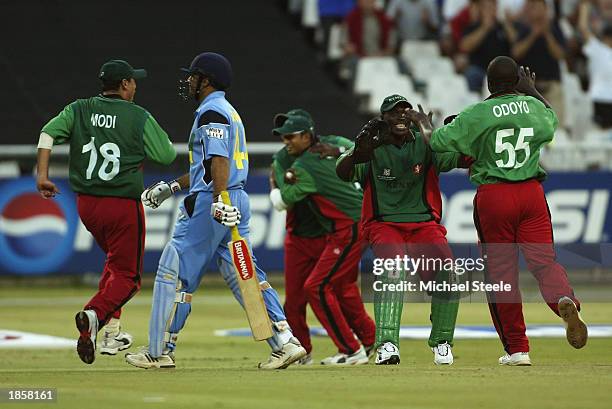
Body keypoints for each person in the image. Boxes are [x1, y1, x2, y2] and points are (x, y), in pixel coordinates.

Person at [124, 52, 306, 370]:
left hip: (214, 202)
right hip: (233, 197)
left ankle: (158, 350)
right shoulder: (227, 111)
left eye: (193, 76)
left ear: (206, 80)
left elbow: (218, 161)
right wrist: (173, 187)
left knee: (174, 270)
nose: (189, 81)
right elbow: (204, 167)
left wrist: (219, 199)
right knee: (245, 274)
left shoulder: (211, 113)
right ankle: (284, 341)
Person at [409, 56, 588, 365]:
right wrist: (532, 90)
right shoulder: (532, 106)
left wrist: (425, 124)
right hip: (531, 193)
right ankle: (565, 300)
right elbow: (552, 121)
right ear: (517, 81)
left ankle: (517, 349)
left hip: (495, 195)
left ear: (488, 83)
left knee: (501, 275)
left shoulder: (478, 113)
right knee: (544, 263)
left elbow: (436, 142)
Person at [36, 59, 177, 364]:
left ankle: (112, 328)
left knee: (114, 263)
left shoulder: (79, 108)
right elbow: (165, 155)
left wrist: (42, 175)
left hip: (87, 205)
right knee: (129, 278)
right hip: (122, 204)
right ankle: (95, 315)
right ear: (125, 84)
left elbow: (47, 134)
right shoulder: (138, 116)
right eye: (133, 81)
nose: (136, 85)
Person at [336, 95, 472, 366]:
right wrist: (356, 152)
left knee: (449, 273)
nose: (400, 116)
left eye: (405, 111)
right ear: (383, 117)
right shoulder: (371, 144)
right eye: (393, 112)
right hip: (383, 223)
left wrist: (457, 135)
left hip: (424, 223)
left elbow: (464, 159)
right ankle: (387, 344)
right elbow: (343, 172)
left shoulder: (426, 141)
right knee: (391, 270)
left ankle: (442, 342)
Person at [270, 113, 376, 365]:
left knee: (326, 288)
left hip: (341, 230)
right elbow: (283, 200)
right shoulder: (284, 159)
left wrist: (277, 186)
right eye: (282, 136)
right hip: (309, 235)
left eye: (289, 136)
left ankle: (356, 347)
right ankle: (305, 350)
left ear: (307, 135)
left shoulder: (313, 158)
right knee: (299, 297)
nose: (285, 141)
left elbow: (281, 199)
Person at [511, 0, 566, 125]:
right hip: (527, 88)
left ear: (546, 9)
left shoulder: (555, 28)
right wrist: (533, 35)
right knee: (528, 126)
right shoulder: (524, 29)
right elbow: (515, 52)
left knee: (555, 125)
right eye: (533, 7)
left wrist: (547, 35)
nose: (535, 10)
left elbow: (560, 55)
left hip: (551, 85)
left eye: (538, 7)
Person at [460, 0, 516, 91]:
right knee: (471, 74)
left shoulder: (503, 26)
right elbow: (465, 46)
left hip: (503, 70)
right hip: (480, 69)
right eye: (486, 7)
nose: (490, 10)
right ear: (480, 9)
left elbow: (515, 40)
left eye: (493, 6)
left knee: (518, 73)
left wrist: (505, 22)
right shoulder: (473, 26)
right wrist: (485, 28)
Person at [579, 1, 612, 128]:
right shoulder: (597, 48)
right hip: (599, 100)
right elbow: (583, 28)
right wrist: (584, 6)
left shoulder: (598, 48)